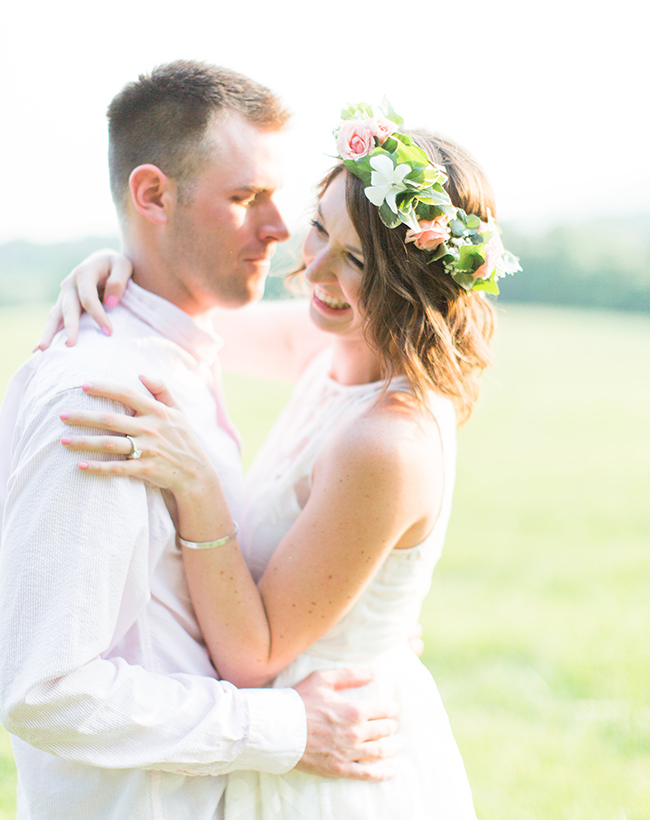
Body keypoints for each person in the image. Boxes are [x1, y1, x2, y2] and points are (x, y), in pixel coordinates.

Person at [45, 105, 521, 818]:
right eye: (321, 227)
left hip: (332, 754)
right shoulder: (331, 343)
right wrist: (114, 269)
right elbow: (196, 319)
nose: (315, 267)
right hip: (277, 740)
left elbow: (253, 653)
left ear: (412, 283)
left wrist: (196, 482)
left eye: (356, 261)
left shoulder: (385, 441)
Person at [0, 64, 400, 820]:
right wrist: (285, 728)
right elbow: (45, 691)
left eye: (279, 199)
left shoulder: (181, 352)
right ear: (153, 195)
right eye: (246, 198)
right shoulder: (105, 399)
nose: (280, 229)